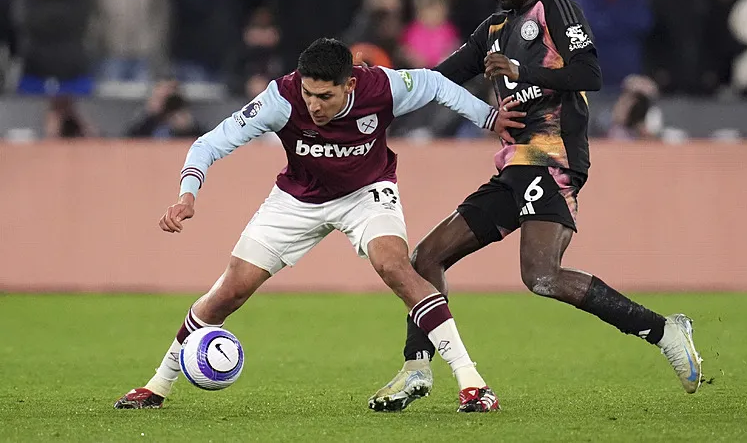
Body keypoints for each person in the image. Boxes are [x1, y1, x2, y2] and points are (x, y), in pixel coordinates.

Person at [368, 0, 703, 413]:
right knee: (426, 258)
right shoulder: (494, 29)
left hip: (552, 157)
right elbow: (438, 80)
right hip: (515, 166)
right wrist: (374, 96)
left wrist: (524, 72)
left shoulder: (556, 9)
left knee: (541, 276)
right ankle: (417, 369)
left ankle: (664, 331)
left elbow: (590, 73)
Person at [113, 38, 525, 412]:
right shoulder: (281, 98)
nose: (314, 105)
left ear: (349, 85)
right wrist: (188, 193)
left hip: (367, 191)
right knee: (229, 291)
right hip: (297, 199)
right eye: (308, 93)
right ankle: (156, 386)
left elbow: (436, 85)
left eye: (325, 96)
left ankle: (472, 383)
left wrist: (488, 119)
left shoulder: (382, 87)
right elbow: (209, 143)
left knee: (396, 266)